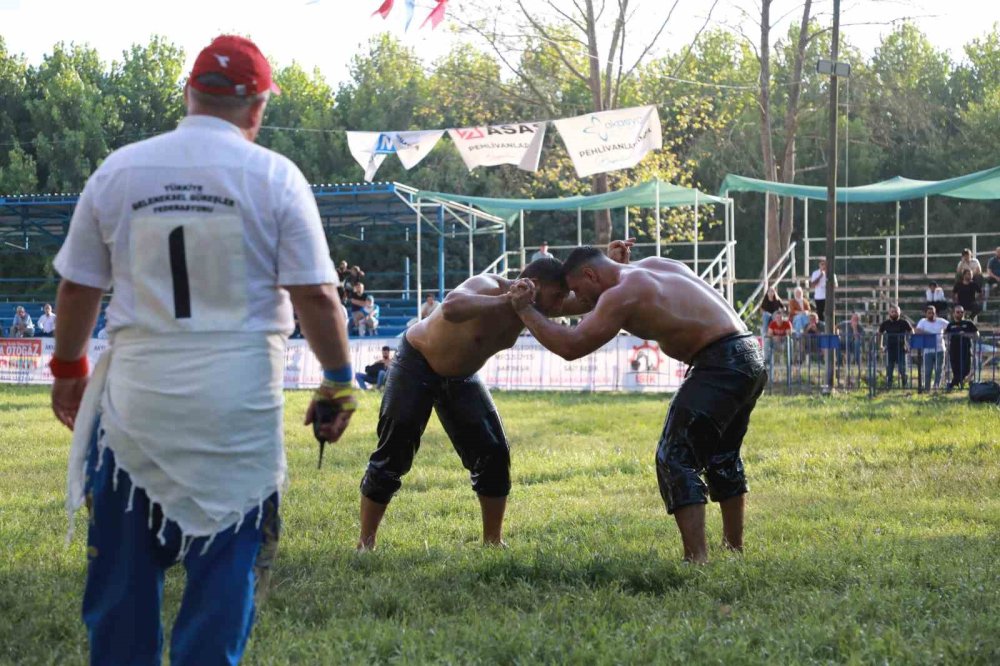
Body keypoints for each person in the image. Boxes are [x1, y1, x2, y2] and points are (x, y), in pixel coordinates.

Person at [48, 35, 357, 666]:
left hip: (138, 411)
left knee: (123, 595)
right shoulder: (276, 177)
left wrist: (68, 369)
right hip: (236, 415)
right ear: (258, 107)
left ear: (188, 94)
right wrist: (337, 383)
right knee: (222, 591)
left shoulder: (121, 169)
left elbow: (78, 285)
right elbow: (319, 299)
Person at [509, 244, 766, 565]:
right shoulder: (651, 267)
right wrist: (536, 302)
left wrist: (524, 311)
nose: (577, 299)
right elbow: (575, 304)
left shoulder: (621, 295)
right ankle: (734, 551)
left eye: (576, 289)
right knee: (721, 456)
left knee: (674, 456)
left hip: (720, 362)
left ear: (591, 274)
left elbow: (571, 345)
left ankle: (697, 559)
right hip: (748, 355)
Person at [357, 257, 578, 552]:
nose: (560, 304)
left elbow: (585, 302)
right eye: (557, 295)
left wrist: (612, 269)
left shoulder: (536, 306)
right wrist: (507, 300)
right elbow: (450, 307)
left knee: (494, 453)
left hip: (461, 376)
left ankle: (492, 542)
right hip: (416, 362)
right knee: (393, 453)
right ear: (534, 286)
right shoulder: (489, 286)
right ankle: (365, 544)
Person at [878, 305, 912, 389]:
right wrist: (880, 345)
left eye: (896, 311)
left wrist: (909, 345)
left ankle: (905, 385)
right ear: (889, 313)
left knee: (902, 369)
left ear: (899, 312)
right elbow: (879, 333)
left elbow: (912, 332)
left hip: (901, 349)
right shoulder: (885, 323)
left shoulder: (904, 322)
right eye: (892, 311)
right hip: (889, 349)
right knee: (889, 370)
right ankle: (888, 387)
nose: (894, 313)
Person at [915, 305, 948, 391]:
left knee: (939, 370)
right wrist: (929, 334)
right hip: (928, 350)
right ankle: (927, 388)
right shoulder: (922, 321)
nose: (931, 314)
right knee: (927, 370)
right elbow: (917, 331)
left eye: (933, 313)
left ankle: (936, 386)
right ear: (926, 314)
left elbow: (950, 327)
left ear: (935, 313)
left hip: (940, 349)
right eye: (929, 313)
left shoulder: (941, 321)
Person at [944, 306, 978, 390]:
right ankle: (958, 385)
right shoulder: (950, 325)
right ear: (954, 313)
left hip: (965, 349)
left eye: (962, 312)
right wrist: (947, 344)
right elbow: (946, 336)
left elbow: (977, 335)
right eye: (958, 312)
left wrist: (965, 334)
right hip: (953, 350)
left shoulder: (968, 323)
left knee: (966, 369)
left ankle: (952, 384)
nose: (960, 314)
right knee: (955, 369)